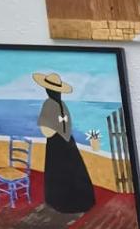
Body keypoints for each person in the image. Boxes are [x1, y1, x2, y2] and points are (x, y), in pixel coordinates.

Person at [34, 70, 95, 216]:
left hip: (56, 144)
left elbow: (46, 131)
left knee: (58, 172)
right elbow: (67, 126)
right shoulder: (63, 105)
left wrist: (51, 127)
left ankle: (60, 201)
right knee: (74, 171)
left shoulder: (48, 104)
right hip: (68, 143)